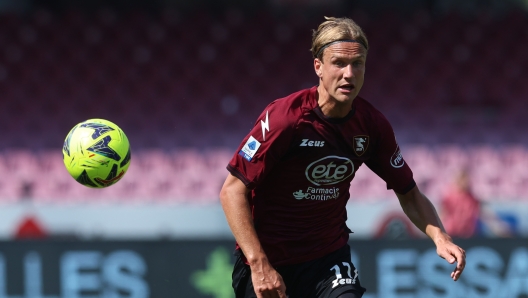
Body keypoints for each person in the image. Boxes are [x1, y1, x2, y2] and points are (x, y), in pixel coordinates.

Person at [219, 16, 466, 298]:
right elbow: (232, 191)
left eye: (357, 63)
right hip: (268, 259)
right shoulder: (284, 119)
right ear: (318, 67)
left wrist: (440, 237)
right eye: (338, 63)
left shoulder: (372, 125)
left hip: (328, 260)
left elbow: (408, 192)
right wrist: (259, 263)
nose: (349, 73)